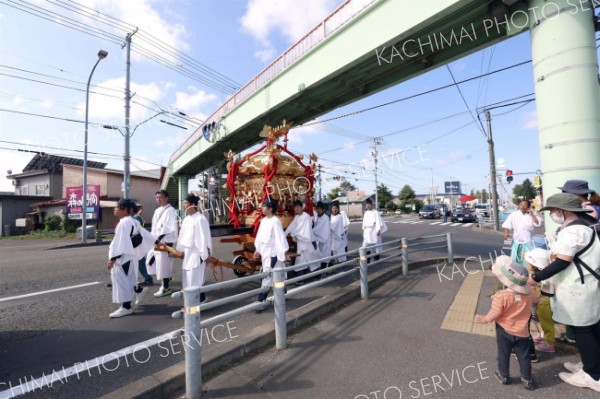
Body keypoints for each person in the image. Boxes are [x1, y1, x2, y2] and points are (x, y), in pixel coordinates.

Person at [529, 193, 600, 393]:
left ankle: (593, 375)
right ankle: (591, 365)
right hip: (587, 286)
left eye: (553, 211)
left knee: (583, 331)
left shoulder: (572, 232)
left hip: (577, 288)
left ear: (563, 211)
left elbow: (562, 261)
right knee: (592, 328)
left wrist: (536, 277)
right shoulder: (585, 228)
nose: (552, 214)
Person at [475, 255, 537, 391]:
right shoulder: (530, 293)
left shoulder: (501, 296)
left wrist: (484, 319)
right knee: (524, 356)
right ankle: (527, 380)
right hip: (523, 332)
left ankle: (503, 376)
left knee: (504, 353)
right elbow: (534, 300)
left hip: (504, 331)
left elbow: (495, 314)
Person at [108, 199, 155, 318]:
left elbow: (120, 243)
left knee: (122, 281)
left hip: (123, 257)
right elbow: (145, 233)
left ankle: (126, 307)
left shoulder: (124, 223)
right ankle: (138, 290)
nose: (115, 209)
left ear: (125, 210)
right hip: (130, 256)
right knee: (129, 279)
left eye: (117, 207)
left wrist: (112, 258)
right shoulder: (133, 221)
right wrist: (156, 241)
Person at [169, 194, 212, 317]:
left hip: (197, 254)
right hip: (188, 254)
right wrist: (178, 251)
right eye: (183, 203)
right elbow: (182, 236)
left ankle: (193, 307)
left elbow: (203, 239)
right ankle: (196, 302)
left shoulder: (200, 219)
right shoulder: (187, 219)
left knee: (195, 279)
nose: (184, 206)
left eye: (186, 203)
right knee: (188, 280)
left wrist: (204, 255)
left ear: (193, 204)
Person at [253, 198, 289, 303]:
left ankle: (261, 300)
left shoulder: (276, 221)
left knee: (267, 276)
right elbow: (259, 237)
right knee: (275, 276)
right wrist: (257, 249)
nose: (262, 208)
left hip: (273, 253)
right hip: (265, 253)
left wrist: (283, 252)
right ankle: (283, 294)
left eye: (264, 206)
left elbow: (280, 238)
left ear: (270, 209)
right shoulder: (263, 221)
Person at [524, 248, 556, 353]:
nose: (528, 264)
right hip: (542, 302)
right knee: (543, 321)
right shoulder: (541, 273)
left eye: (530, 263)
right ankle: (543, 335)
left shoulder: (547, 278)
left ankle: (549, 343)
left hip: (545, 303)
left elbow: (546, 294)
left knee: (547, 323)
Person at [151, 190, 179, 298]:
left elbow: (168, 227)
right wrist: (153, 239)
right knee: (158, 262)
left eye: (160, 197)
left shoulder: (171, 210)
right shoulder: (157, 210)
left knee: (163, 264)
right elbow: (154, 227)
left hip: (166, 240)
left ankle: (166, 287)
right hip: (158, 240)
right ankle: (167, 280)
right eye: (157, 197)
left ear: (166, 198)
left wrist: (158, 240)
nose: (158, 199)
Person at [284, 200, 320, 281]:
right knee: (301, 261)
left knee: (312, 260)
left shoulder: (306, 216)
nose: (296, 209)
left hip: (309, 242)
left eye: (298, 207)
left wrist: (293, 233)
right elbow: (291, 226)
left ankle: (318, 275)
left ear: (302, 207)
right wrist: (284, 234)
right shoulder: (297, 217)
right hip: (301, 243)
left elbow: (303, 230)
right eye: (295, 207)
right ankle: (301, 279)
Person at [502, 199, 542, 267]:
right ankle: (517, 273)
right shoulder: (514, 214)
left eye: (525, 205)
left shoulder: (533, 214)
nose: (523, 207)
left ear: (529, 207)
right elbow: (508, 223)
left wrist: (531, 215)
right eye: (521, 205)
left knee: (528, 259)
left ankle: (529, 272)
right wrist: (506, 232)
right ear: (519, 206)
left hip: (528, 240)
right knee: (515, 258)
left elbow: (538, 223)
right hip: (517, 240)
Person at [131, 203, 153, 286]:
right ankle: (148, 278)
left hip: (136, 243)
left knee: (139, 262)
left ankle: (148, 278)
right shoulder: (136, 217)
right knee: (139, 262)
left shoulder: (136, 218)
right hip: (137, 243)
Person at [313, 201, 332, 270]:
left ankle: (324, 271)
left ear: (323, 209)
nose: (317, 210)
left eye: (319, 209)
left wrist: (312, 231)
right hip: (318, 239)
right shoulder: (316, 217)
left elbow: (319, 228)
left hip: (325, 239)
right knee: (318, 256)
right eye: (316, 209)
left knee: (325, 256)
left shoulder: (325, 218)